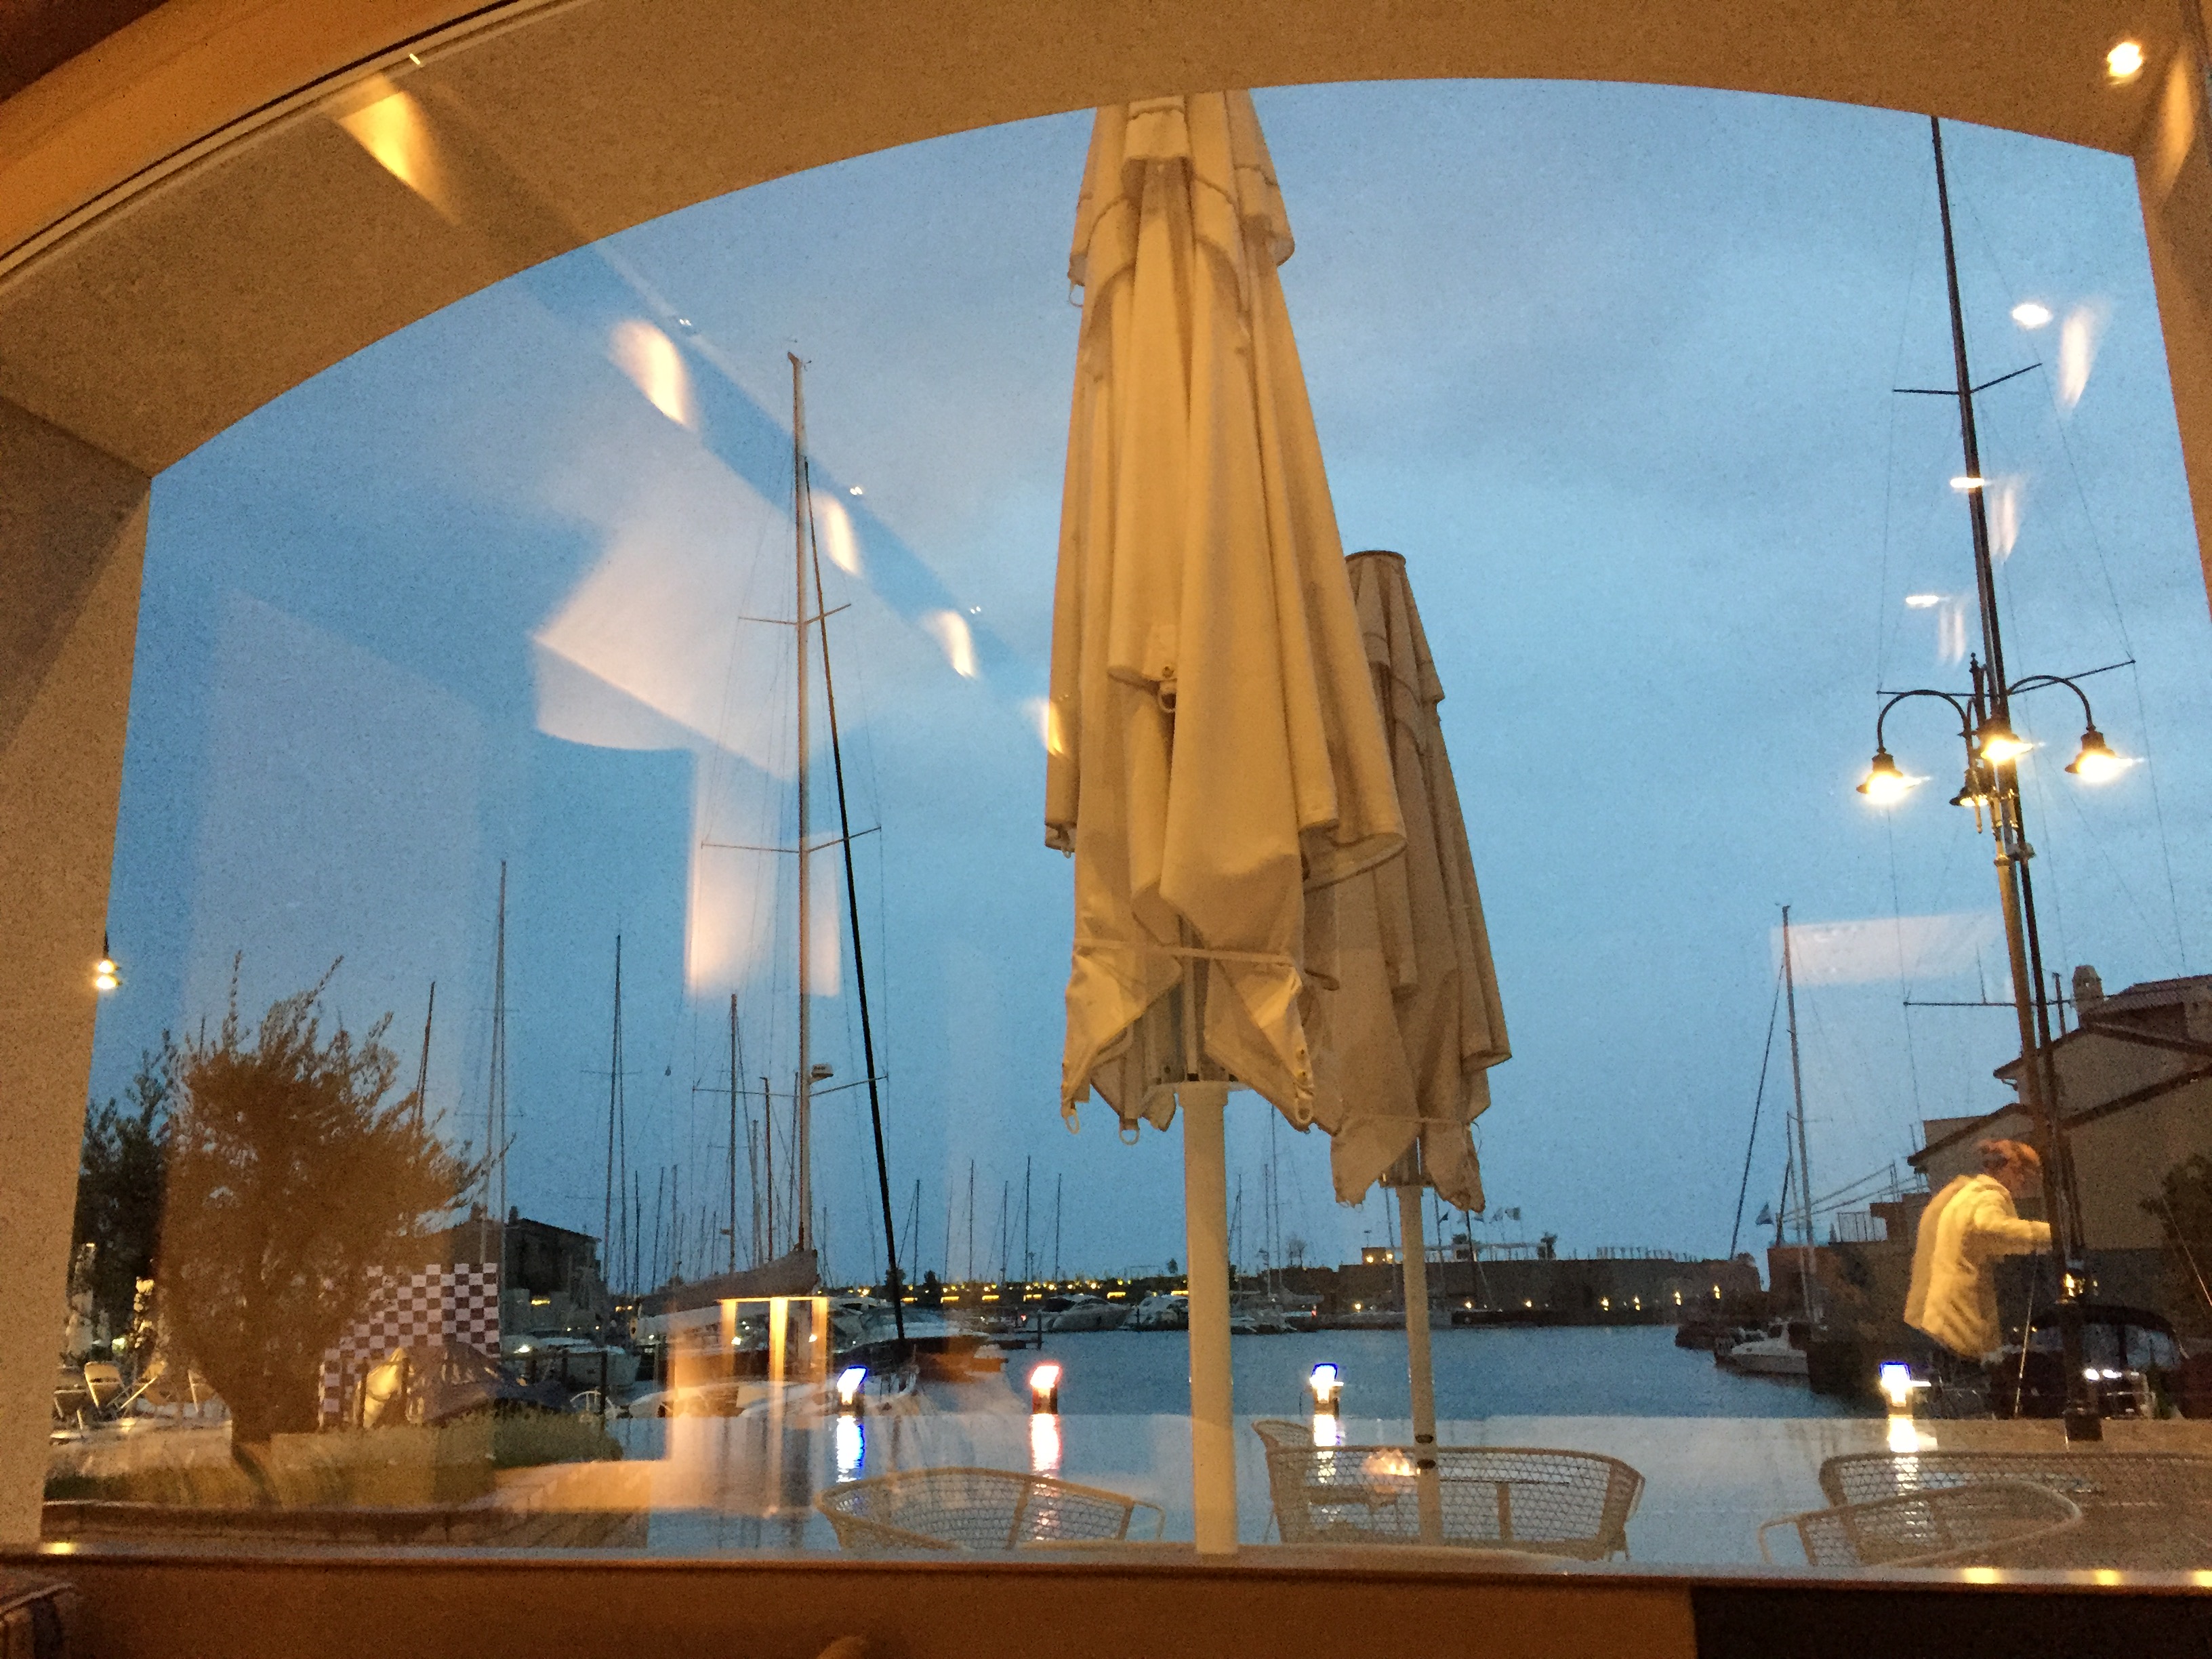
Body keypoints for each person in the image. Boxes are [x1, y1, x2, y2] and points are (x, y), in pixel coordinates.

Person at [1904, 1138, 2052, 1361]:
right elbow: (1990, 1228)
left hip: (1934, 1315)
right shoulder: (1989, 1195)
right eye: (2027, 1176)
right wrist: (2051, 1234)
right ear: (2015, 1170)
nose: (2025, 1184)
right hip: (1955, 1319)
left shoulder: (1962, 1194)